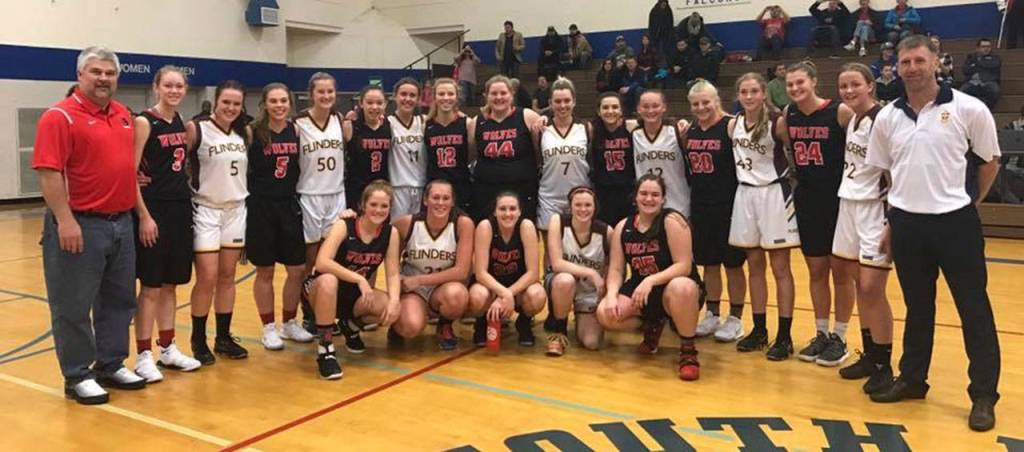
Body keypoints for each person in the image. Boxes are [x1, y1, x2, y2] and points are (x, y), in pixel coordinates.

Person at [865, 35, 1001, 432]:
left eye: (919, 60)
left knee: (974, 309)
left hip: (956, 224)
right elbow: (888, 172)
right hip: (908, 225)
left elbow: (989, 163)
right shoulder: (888, 117)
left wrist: (968, 203)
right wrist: (893, 218)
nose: (912, 68)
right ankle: (912, 380)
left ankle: (983, 395)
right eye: (905, 62)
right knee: (918, 308)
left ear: (936, 61)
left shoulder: (968, 108)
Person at [34, 46, 147, 404]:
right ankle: (77, 374)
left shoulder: (123, 115)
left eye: (110, 73)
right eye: (96, 72)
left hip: (121, 223)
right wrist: (65, 220)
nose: (103, 79)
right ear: (80, 75)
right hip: (80, 224)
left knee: (119, 301)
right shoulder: (59, 117)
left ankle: (111, 364)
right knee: (73, 304)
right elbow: (49, 173)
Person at [129, 66, 202, 383]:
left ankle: (168, 347)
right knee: (151, 286)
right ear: (156, 87)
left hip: (179, 209)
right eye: (168, 85)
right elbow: (130, 173)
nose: (174, 90)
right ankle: (143, 355)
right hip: (153, 210)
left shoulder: (182, 122)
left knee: (171, 284)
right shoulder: (144, 122)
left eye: (179, 86)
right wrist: (144, 216)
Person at [781, 61, 856, 365]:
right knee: (816, 271)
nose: (795, 88)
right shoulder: (789, 114)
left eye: (800, 82)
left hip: (838, 201)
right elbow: (784, 146)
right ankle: (822, 332)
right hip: (808, 200)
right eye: (790, 84)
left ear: (813, 81)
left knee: (841, 273)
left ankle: (840, 336)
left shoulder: (839, 112)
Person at [595, 175, 703, 380]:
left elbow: (683, 266)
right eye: (644, 193)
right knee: (605, 313)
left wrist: (651, 280)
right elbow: (616, 269)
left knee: (682, 287)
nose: (649, 199)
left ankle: (688, 351)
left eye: (655, 194)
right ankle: (652, 324)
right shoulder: (623, 227)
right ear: (635, 197)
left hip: (674, 286)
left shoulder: (673, 221)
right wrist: (611, 295)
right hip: (642, 288)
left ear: (663, 199)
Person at [831, 62, 895, 394]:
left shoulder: (882, 119)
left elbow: (893, 173)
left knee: (872, 288)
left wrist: (892, 220)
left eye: (855, 84)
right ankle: (870, 355)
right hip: (849, 204)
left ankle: (884, 365)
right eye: (844, 86)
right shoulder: (852, 118)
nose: (849, 90)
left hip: (874, 208)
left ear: (870, 85)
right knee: (858, 283)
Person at [728, 72, 800, 358]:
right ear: (738, 95)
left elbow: (795, 153)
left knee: (780, 268)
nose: (749, 96)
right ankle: (759, 330)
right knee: (754, 267)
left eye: (754, 91)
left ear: (763, 93)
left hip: (774, 194)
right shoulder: (733, 124)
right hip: (745, 194)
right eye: (744, 92)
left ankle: (784, 336)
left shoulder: (778, 122)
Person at [307, 181, 402, 379]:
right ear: (362, 205)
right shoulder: (345, 225)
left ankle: (349, 326)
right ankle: (326, 350)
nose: (378, 210)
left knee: (391, 307)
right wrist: (359, 279)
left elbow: (393, 273)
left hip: (354, 295)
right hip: (323, 290)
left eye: (384, 206)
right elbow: (322, 262)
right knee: (329, 281)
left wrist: (394, 300)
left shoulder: (390, 233)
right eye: (373, 204)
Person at [186, 80, 252, 365]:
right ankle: (198, 339)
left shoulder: (245, 132)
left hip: (236, 210)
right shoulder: (196, 128)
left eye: (236, 104)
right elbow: (172, 159)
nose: (231, 108)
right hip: (206, 209)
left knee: (227, 275)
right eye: (226, 102)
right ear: (216, 101)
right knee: (207, 277)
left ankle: (223, 337)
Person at [246, 83, 314, 351]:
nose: (279, 105)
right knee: (265, 270)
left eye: (283, 100)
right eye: (273, 101)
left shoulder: (295, 130)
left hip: (288, 204)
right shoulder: (253, 132)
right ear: (264, 104)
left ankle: (289, 322)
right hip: (261, 206)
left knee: (296, 269)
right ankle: (268, 327)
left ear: (290, 103)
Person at [681, 81, 748, 342]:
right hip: (700, 204)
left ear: (716, 99)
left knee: (732, 264)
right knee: (709, 264)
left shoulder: (730, 126)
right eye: (695, 104)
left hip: (729, 205)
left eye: (705, 102)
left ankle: (736, 318)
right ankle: (712, 313)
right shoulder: (691, 130)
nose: (701, 107)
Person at [389, 180, 474, 349]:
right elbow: (386, 254)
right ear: (425, 200)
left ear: (452, 202)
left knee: (457, 295)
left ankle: (445, 324)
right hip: (413, 290)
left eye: (446, 198)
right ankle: (399, 323)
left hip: (443, 287)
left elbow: (461, 271)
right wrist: (396, 281)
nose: (440, 203)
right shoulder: (407, 224)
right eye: (435, 197)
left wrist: (419, 280)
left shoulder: (462, 224)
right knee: (409, 327)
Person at [294, 73, 348, 332]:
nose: (326, 96)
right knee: (310, 259)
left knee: (332, 258)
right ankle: (308, 312)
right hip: (309, 195)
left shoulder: (340, 120)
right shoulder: (298, 124)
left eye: (330, 92)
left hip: (336, 195)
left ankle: (328, 311)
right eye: (321, 92)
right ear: (311, 94)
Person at [468, 192, 547, 347]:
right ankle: (482, 322)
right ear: (494, 212)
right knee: (477, 296)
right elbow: (481, 273)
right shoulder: (485, 226)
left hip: (519, 288)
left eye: (512, 209)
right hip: (491, 286)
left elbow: (533, 273)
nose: (507, 213)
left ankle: (524, 322)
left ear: (520, 212)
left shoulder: (526, 226)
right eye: (502, 209)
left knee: (537, 295)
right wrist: (503, 293)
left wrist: (508, 293)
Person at [545, 187, 612, 355]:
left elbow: (614, 267)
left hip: (588, 291)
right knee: (565, 280)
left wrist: (607, 292)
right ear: (570, 206)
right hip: (561, 283)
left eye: (588, 205)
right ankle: (559, 331)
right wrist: (591, 273)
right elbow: (556, 264)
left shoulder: (606, 232)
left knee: (591, 342)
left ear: (595, 207)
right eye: (578, 205)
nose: (583, 209)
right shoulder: (558, 222)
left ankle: (581, 316)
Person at [473, 75, 544, 222]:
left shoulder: (527, 116)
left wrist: (545, 118)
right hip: (487, 190)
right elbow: (470, 153)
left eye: (503, 93)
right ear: (486, 96)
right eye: (494, 93)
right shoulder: (477, 122)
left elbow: (540, 148)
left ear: (511, 94)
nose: (499, 97)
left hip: (522, 190)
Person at [538, 78, 590, 232]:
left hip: (580, 197)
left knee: (577, 242)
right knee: (549, 243)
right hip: (549, 198)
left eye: (567, 101)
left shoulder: (586, 128)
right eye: (557, 101)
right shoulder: (541, 129)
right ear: (550, 103)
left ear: (574, 101)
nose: (562, 105)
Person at [633, 90, 691, 217]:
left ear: (664, 107)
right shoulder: (633, 134)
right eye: (645, 106)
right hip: (648, 202)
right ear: (638, 109)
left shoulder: (677, 131)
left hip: (678, 201)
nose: (650, 110)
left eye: (655, 106)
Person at [424, 78, 476, 213]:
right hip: (435, 185)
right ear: (434, 97)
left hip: (460, 184)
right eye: (441, 94)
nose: (446, 98)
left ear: (457, 97)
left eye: (450, 94)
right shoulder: (425, 125)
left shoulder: (467, 123)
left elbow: (471, 154)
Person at [589, 93, 639, 226]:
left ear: (621, 110)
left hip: (628, 191)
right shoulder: (592, 131)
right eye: (605, 107)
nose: (610, 111)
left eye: (615, 107)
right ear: (598, 112)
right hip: (603, 193)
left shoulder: (631, 129)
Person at [344, 85, 391, 212]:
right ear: (361, 103)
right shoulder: (349, 126)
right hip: (356, 191)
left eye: (379, 103)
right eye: (369, 102)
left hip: (381, 190)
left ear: (385, 104)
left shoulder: (389, 126)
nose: (374, 107)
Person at [388, 78, 428, 218]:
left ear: (418, 99)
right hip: (397, 186)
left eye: (412, 95)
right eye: (403, 94)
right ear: (395, 96)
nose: (408, 99)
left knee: (418, 227)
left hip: (422, 186)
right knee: (398, 227)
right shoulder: (387, 122)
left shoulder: (424, 121)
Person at [961, 38, 1002, 109]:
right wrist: (983, 65)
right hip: (972, 82)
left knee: (995, 90)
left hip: (989, 81)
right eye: (983, 47)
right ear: (977, 48)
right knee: (962, 91)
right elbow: (965, 70)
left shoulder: (996, 58)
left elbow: (993, 65)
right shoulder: (971, 57)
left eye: (988, 46)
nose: (986, 49)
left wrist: (976, 64)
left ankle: (986, 108)